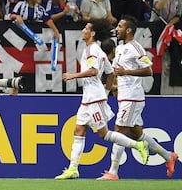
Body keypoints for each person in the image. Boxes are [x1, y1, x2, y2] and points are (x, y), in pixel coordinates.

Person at [54, 18, 149, 180]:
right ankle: (73, 168)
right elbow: (110, 72)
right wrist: (105, 91)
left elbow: (93, 71)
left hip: (93, 98)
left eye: (86, 28)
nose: (83, 30)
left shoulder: (93, 51)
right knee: (79, 130)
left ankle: (138, 144)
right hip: (89, 97)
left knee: (104, 134)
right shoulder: (92, 50)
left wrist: (73, 76)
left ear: (92, 33)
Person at [97, 15, 179, 180]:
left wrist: (126, 72)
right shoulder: (120, 48)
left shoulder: (136, 48)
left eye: (120, 26)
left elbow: (148, 70)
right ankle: (168, 156)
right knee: (137, 135)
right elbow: (115, 73)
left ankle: (113, 172)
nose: (117, 29)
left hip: (133, 97)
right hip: (125, 97)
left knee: (119, 130)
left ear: (128, 30)